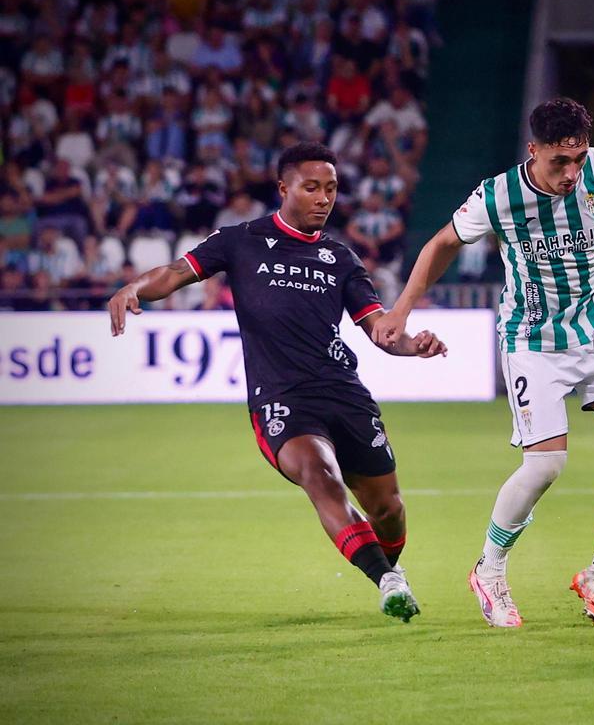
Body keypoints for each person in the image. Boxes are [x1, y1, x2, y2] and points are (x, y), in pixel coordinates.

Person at [371, 97, 594, 627]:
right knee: (546, 464)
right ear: (533, 151)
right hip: (534, 341)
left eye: (578, 158)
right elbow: (441, 243)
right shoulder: (497, 195)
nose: (571, 173)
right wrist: (401, 309)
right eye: (559, 162)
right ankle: (489, 570)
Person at [107, 142, 447, 621]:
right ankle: (386, 579)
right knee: (320, 475)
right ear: (284, 188)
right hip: (281, 398)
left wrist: (413, 345)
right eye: (312, 188)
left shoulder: (342, 259)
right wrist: (134, 286)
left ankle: (388, 568)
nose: (324, 198)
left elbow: (379, 331)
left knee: (388, 509)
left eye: (331, 188)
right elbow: (174, 273)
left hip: (344, 393)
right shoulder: (240, 240)